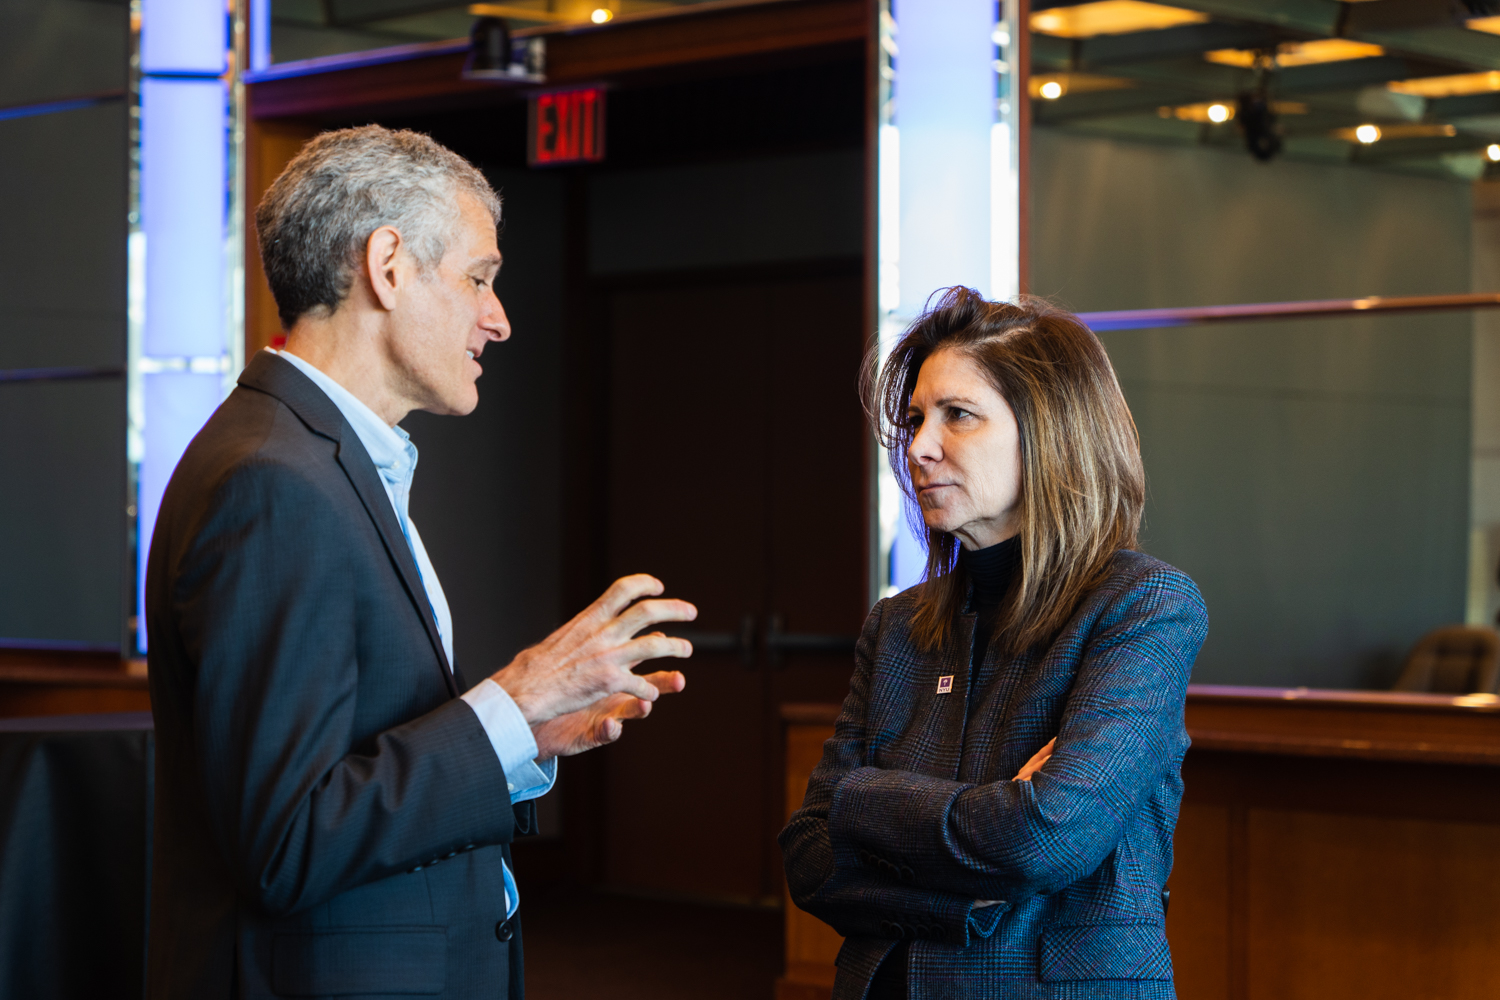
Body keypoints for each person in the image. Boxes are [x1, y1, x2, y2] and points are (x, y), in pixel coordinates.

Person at [145, 125, 697, 999]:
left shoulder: (322, 460)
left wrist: (523, 740)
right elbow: (286, 842)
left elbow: (357, 761)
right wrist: (516, 700)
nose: (500, 317)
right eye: (480, 277)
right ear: (389, 266)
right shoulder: (272, 483)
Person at [779, 288, 1208, 1000]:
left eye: (958, 416)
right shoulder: (896, 626)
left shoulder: (1143, 606)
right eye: (915, 419)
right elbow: (808, 858)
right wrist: (970, 882)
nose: (919, 446)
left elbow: (1043, 836)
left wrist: (863, 800)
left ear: (1050, 433)